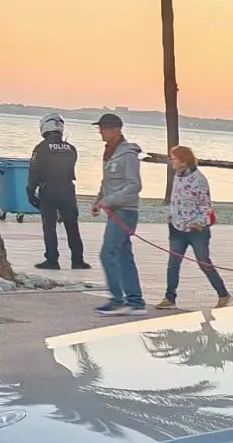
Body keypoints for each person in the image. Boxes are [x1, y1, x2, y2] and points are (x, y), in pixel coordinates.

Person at [156, 145, 233, 311]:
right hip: (177, 228)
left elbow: (206, 205)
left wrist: (200, 223)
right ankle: (170, 298)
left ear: (183, 161)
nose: (171, 162)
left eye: (174, 159)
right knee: (173, 264)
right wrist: (172, 216)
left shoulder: (199, 179)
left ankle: (223, 294)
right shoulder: (177, 175)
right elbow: (176, 199)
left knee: (204, 263)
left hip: (196, 231)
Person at [90, 112, 146, 316]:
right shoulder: (110, 153)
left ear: (116, 130)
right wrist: (98, 201)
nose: (100, 133)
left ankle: (118, 300)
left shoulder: (128, 154)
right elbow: (108, 183)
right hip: (115, 210)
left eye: (103, 129)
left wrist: (110, 201)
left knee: (108, 254)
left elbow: (134, 185)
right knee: (124, 256)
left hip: (125, 212)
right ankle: (136, 302)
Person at [27, 113, 88, 270]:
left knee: (50, 227)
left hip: (49, 190)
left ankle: (52, 260)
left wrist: (30, 192)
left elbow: (34, 171)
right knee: (72, 226)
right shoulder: (71, 149)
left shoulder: (41, 148)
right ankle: (78, 260)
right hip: (68, 190)